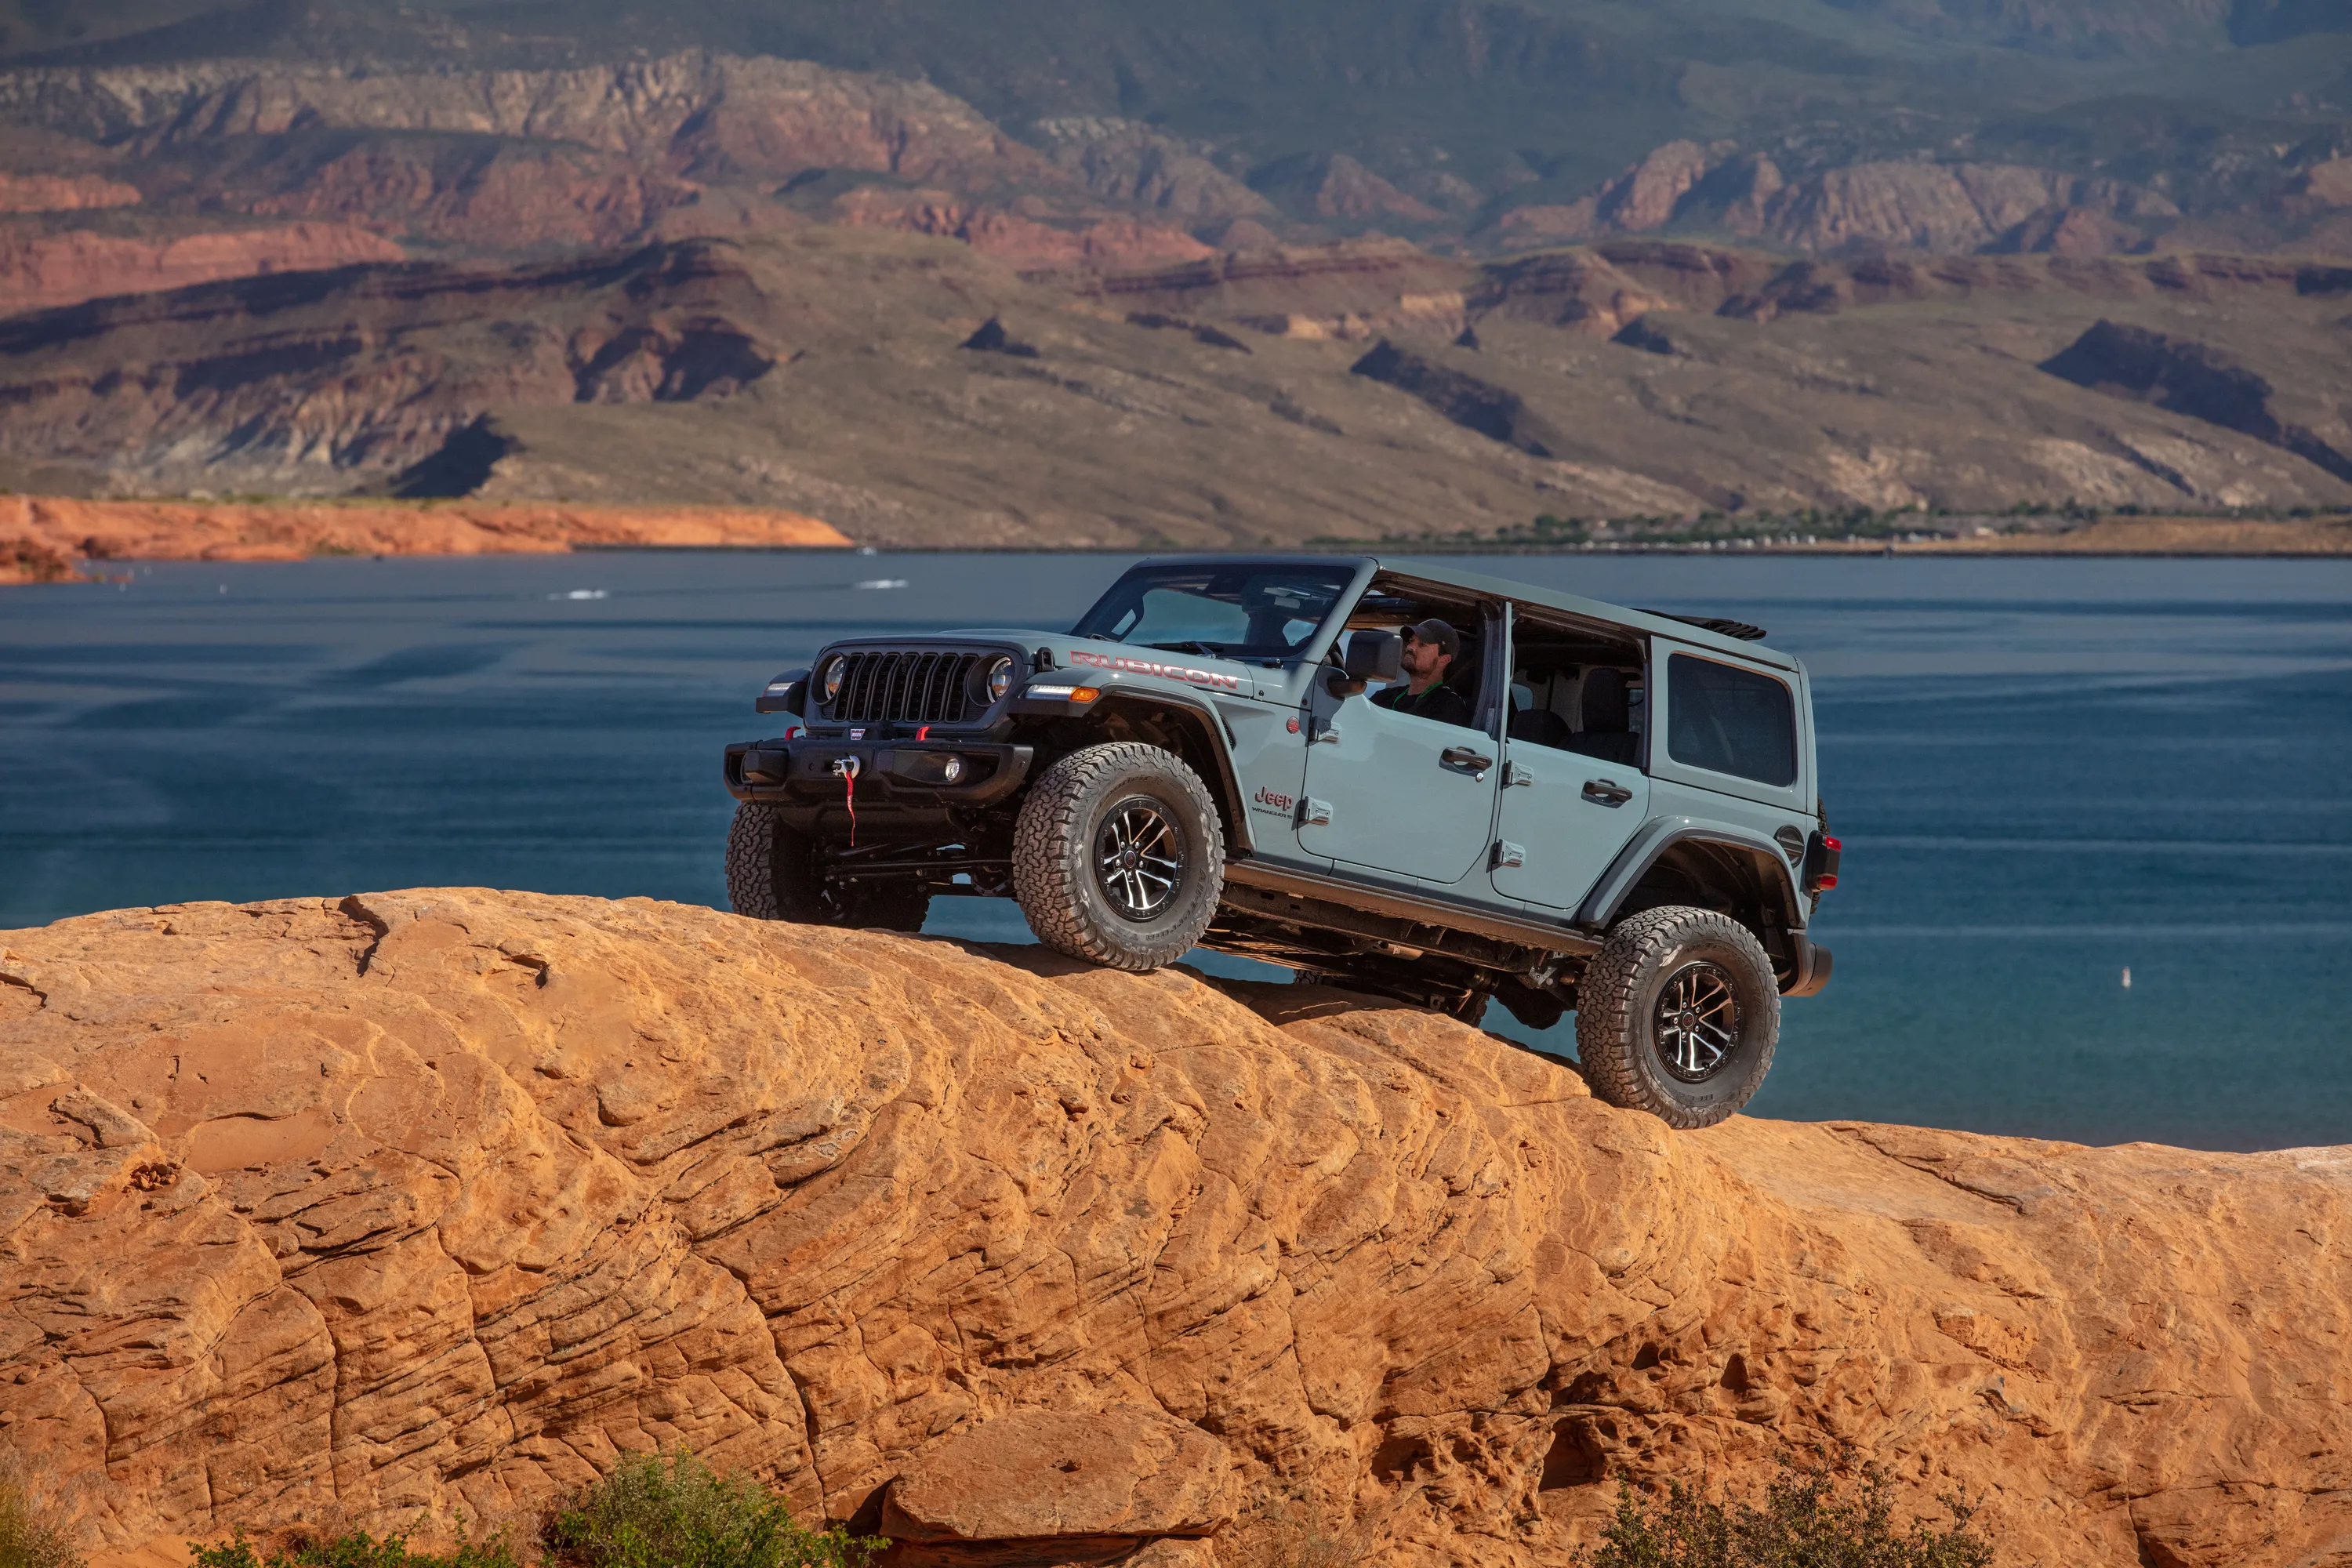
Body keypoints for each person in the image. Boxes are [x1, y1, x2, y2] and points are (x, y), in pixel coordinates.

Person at [1370, 619, 1473, 727]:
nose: (1410, 647)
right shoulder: (1385, 696)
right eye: (1411, 641)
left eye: (1422, 645)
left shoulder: (1448, 706)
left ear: (1444, 659)